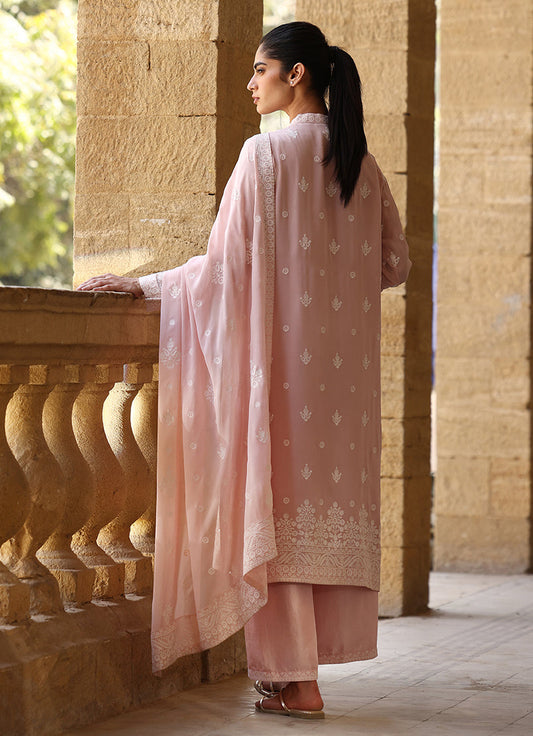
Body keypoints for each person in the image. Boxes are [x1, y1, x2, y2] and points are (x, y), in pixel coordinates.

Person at [78, 21, 411, 720]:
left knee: (275, 507)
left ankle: (298, 681)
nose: (250, 82)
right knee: (318, 513)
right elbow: (394, 264)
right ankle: (301, 674)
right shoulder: (361, 163)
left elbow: (225, 269)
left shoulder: (266, 155)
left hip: (283, 372)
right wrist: (331, 281)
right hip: (344, 386)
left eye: (260, 69)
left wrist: (145, 285)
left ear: (296, 75)